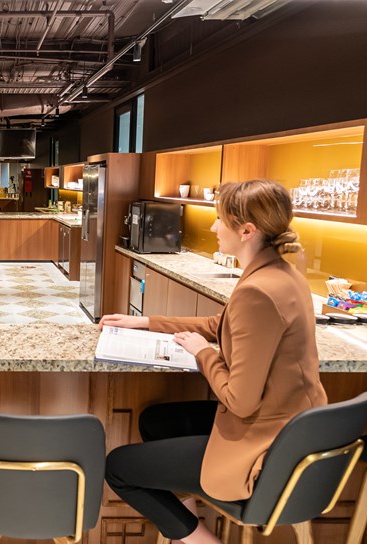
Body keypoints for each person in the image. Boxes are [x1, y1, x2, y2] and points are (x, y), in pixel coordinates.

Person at [100, 179, 327, 544]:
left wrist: (203, 354)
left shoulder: (258, 291)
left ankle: (200, 541)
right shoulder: (283, 275)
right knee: (156, 421)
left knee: (118, 467)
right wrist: (144, 322)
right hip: (290, 425)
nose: (213, 227)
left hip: (264, 443)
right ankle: (186, 522)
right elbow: (218, 325)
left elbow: (240, 400)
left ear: (247, 231)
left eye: (220, 219)